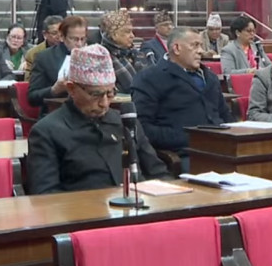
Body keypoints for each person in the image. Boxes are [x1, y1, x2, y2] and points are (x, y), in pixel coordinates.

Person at [26, 43, 168, 195]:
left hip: (137, 202)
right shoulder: (47, 131)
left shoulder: (125, 121)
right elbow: (46, 195)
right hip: (83, 207)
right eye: (96, 94)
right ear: (72, 89)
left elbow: (157, 173)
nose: (104, 103)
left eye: (110, 93)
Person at [131, 27, 235, 172]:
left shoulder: (210, 77)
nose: (201, 51)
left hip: (223, 149)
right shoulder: (150, 78)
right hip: (186, 154)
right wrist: (191, 137)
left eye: (201, 45)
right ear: (177, 48)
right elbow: (143, 128)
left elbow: (226, 116)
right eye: (195, 45)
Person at [27, 15, 88, 110]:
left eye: (82, 39)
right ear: (62, 37)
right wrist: (54, 90)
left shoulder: (91, 55)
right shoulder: (44, 58)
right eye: (74, 39)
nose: (79, 44)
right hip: (56, 111)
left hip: (87, 110)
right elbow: (32, 97)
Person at [100, 10, 148, 94]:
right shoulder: (103, 58)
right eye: (127, 32)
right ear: (114, 35)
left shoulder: (135, 53)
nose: (132, 36)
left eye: (132, 31)